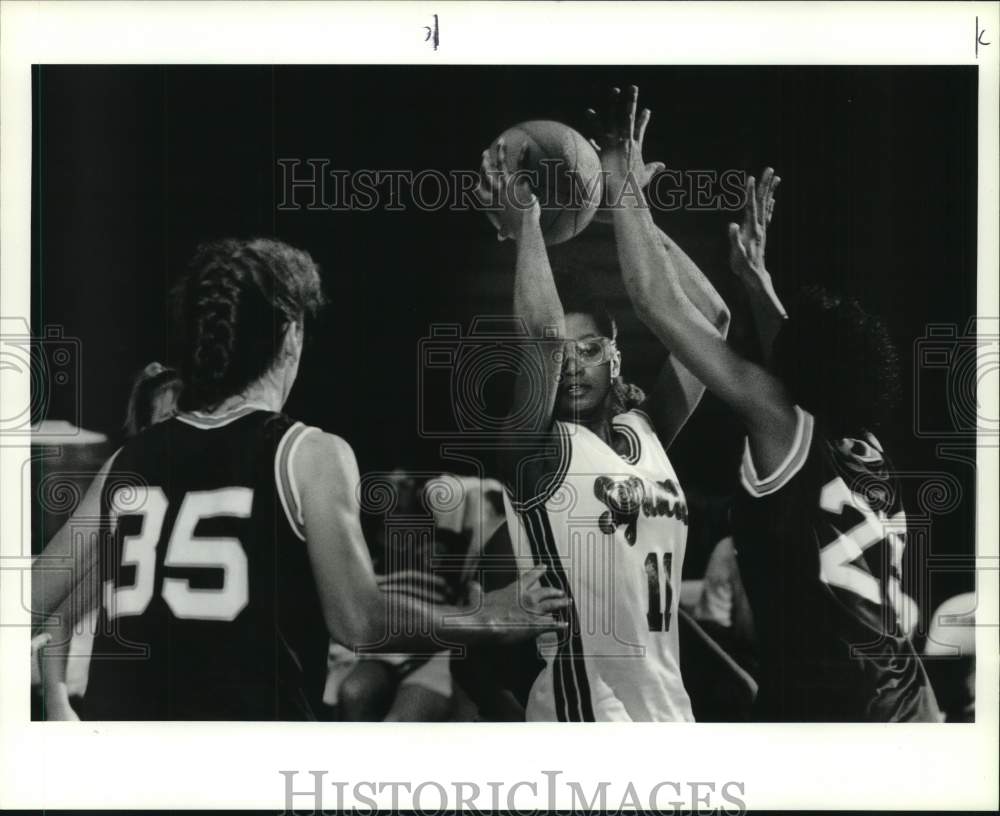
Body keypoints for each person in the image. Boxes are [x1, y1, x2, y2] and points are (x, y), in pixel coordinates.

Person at [30, 237, 567, 720]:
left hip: (123, 767)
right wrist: (487, 618)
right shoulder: (307, 453)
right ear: (290, 334)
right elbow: (358, 620)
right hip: (247, 759)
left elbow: (26, 600)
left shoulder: (127, 460)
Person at [602, 85, 940, 721]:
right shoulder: (866, 445)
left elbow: (654, 300)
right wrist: (756, 278)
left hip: (836, 725)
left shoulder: (782, 424)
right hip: (907, 702)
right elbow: (801, 353)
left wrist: (622, 176)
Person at [475, 103, 731, 721]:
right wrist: (528, 222)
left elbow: (712, 320)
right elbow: (539, 335)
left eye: (589, 349)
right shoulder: (533, 449)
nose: (571, 364)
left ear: (615, 359)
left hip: (670, 717)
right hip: (586, 723)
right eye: (561, 353)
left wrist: (627, 202)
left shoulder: (645, 432)